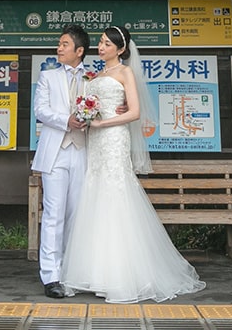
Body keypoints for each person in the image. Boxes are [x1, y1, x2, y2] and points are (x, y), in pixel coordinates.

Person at [60, 25, 205, 303]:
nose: (101, 48)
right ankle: (94, 272)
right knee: (95, 195)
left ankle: (121, 274)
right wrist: (87, 113)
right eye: (100, 43)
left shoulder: (125, 72)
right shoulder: (96, 74)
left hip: (113, 137)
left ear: (121, 49)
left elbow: (135, 112)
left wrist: (103, 121)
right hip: (96, 141)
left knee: (116, 194)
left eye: (106, 44)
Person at [31, 24, 92, 298]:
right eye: (59, 43)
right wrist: (65, 120)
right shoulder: (48, 76)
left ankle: (72, 271)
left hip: (83, 151)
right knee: (53, 215)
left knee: (76, 214)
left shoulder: (94, 78)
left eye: (64, 44)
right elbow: (40, 111)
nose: (59, 48)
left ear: (79, 51)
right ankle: (51, 276)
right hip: (55, 151)